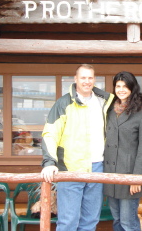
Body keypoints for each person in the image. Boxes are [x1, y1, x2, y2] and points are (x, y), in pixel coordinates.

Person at [40, 64, 114, 231]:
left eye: (90, 78)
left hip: (97, 167)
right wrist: (49, 162)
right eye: (83, 77)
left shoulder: (104, 102)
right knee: (68, 222)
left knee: (90, 221)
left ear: (94, 80)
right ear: (75, 79)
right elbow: (50, 133)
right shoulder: (64, 103)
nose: (87, 81)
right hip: (71, 169)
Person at [103, 71, 142, 231]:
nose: (121, 89)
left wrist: (137, 178)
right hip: (110, 174)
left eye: (125, 86)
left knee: (128, 222)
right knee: (117, 220)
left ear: (133, 88)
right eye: (118, 86)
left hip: (130, 175)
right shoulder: (109, 109)